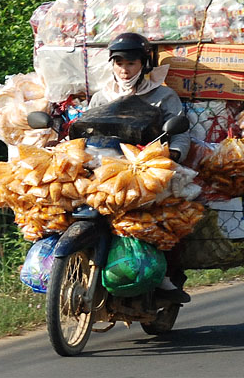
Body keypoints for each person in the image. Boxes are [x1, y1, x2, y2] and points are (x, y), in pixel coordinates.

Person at [88, 32, 191, 303]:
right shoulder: (102, 96)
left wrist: (176, 153)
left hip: (146, 169)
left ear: (144, 64)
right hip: (107, 169)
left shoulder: (162, 95)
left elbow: (179, 130)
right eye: (119, 62)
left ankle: (165, 276)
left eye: (131, 63)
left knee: (154, 219)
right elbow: (86, 133)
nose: (124, 69)